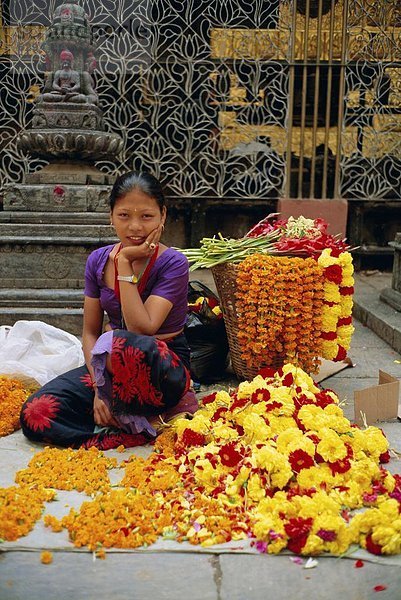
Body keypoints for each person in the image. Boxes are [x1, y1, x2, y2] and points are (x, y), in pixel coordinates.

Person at [20, 171, 197, 450]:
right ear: (110, 216)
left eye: (146, 216)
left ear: (163, 216)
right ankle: (129, 428)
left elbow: (142, 328)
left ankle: (163, 406)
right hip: (110, 367)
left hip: (162, 365)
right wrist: (99, 389)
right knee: (36, 414)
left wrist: (125, 262)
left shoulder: (174, 263)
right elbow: (90, 332)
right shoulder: (98, 261)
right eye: (124, 215)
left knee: (120, 342)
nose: (135, 227)